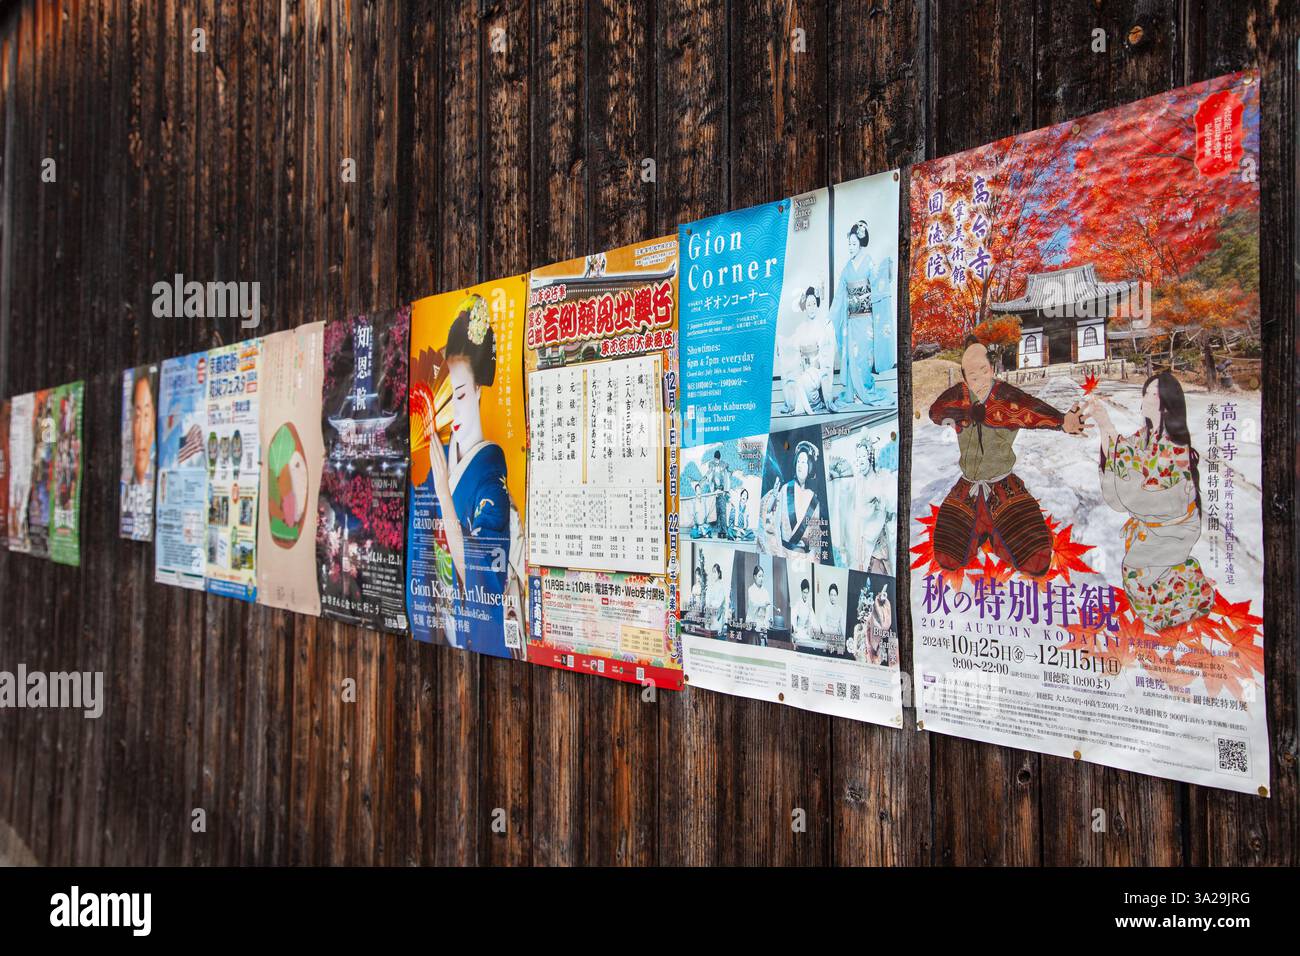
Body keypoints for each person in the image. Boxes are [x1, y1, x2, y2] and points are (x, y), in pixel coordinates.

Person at [928, 340, 1086, 576]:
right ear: (963, 376)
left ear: (992, 368)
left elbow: (1033, 410)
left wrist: (1062, 422)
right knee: (947, 555)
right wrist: (965, 413)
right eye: (972, 374)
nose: (980, 378)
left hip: (1004, 487)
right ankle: (977, 530)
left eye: (984, 370)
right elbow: (935, 412)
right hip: (968, 488)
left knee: (1036, 558)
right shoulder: (958, 398)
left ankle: (999, 531)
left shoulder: (1005, 396)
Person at [423, 294, 525, 658]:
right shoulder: (444, 456)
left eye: (462, 394)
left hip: (486, 631)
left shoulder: (490, 481)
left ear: (479, 390)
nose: (455, 410)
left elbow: (483, 576)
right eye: (449, 398)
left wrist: (444, 496)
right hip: (453, 627)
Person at [1085, 371, 1214, 631]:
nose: (1146, 398)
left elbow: (1135, 480)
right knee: (1142, 574)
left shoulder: (1175, 448)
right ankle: (1182, 594)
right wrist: (1103, 422)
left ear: (1166, 403)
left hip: (1176, 529)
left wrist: (1108, 428)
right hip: (1154, 527)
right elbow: (1122, 451)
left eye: (1153, 394)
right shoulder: (1146, 434)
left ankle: (1185, 605)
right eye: (1146, 393)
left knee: (1135, 574)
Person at [830, 221, 892, 407]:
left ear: (861, 243)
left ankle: (865, 389)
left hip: (866, 321)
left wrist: (886, 269)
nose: (851, 248)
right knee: (850, 358)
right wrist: (830, 318)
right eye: (849, 244)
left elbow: (878, 284)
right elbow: (839, 298)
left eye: (854, 244)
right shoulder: (846, 269)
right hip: (851, 322)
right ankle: (852, 393)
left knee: (864, 358)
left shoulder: (868, 262)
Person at [777, 286, 837, 415]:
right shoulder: (801, 328)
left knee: (804, 382)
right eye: (808, 304)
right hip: (804, 369)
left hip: (817, 371)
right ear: (805, 307)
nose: (811, 307)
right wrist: (780, 341)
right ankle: (801, 404)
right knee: (793, 379)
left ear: (817, 305)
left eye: (814, 303)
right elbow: (791, 345)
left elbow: (826, 358)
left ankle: (818, 402)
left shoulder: (823, 327)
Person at [761, 439, 823, 557]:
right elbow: (771, 519)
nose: (800, 465)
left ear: (810, 467)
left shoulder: (814, 499)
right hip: (785, 553)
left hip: (805, 557)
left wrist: (812, 555)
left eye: (804, 462)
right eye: (798, 461)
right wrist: (774, 496)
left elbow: (816, 536)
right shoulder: (785, 489)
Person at [818, 581, 845, 652]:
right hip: (827, 637)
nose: (833, 597)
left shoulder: (840, 609)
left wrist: (842, 639)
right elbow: (823, 627)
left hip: (837, 638)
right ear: (829, 595)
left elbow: (842, 626)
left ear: (837, 596)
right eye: (831, 595)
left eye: (835, 595)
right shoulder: (825, 609)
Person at [704, 561, 730, 635]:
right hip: (710, 612)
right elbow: (707, 598)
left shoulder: (721, 586)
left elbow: (719, 602)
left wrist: (711, 604)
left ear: (719, 574)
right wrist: (708, 604)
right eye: (712, 572)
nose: (713, 574)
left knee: (714, 630)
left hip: (718, 614)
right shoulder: (710, 585)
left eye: (715, 572)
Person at [746, 564, 772, 630]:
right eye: (759, 576)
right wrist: (764, 604)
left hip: (762, 623)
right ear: (755, 576)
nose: (761, 579)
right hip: (752, 621)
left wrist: (765, 623)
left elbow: (768, 609)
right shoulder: (751, 589)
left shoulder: (765, 592)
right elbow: (753, 604)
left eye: (762, 576)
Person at [791, 579, 814, 645]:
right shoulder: (798, 603)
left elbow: (811, 619)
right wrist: (795, 628)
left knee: (810, 644)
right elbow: (793, 616)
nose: (805, 595)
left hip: (805, 631)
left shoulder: (809, 604)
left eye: (807, 593)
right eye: (804, 592)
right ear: (801, 591)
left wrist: (809, 629)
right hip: (798, 630)